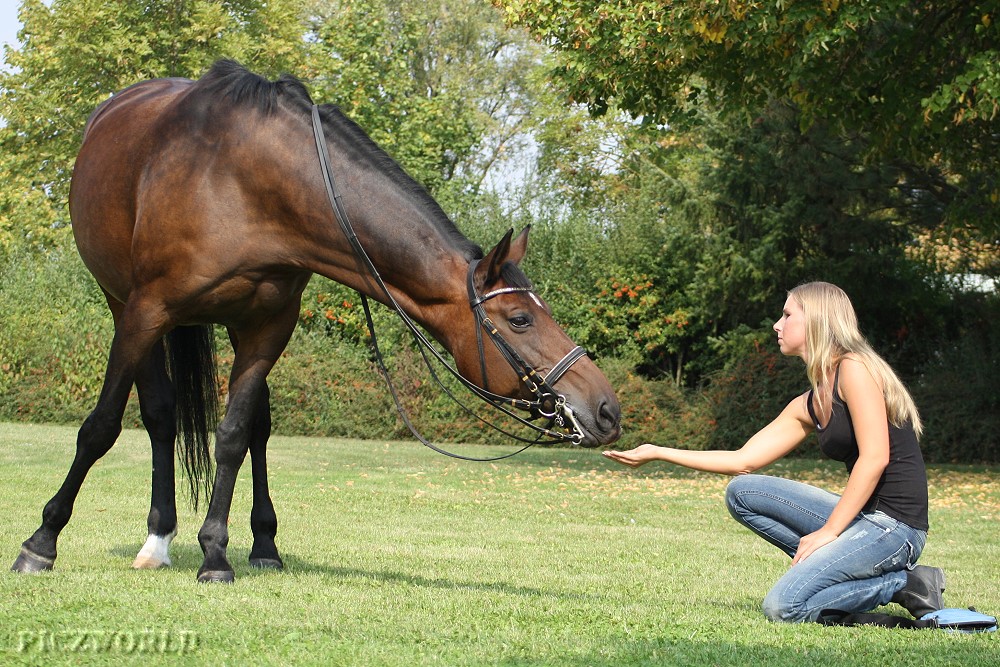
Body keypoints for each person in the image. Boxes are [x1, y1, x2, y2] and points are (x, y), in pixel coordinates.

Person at [603, 281, 945, 623]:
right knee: (742, 492)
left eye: (787, 314)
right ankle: (843, 576)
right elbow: (743, 460)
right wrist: (658, 451)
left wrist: (828, 533)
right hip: (861, 521)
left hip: (895, 528)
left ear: (816, 321)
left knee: (785, 607)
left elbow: (875, 458)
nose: (776, 325)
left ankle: (904, 584)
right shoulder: (809, 403)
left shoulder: (854, 368)